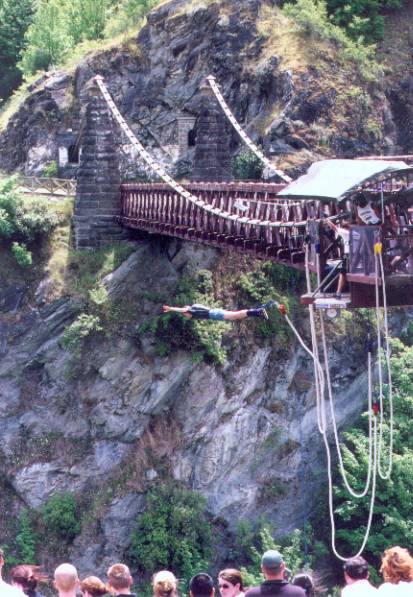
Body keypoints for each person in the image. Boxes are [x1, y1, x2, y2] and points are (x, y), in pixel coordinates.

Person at [162, 301, 275, 321]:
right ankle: (257, 313)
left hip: (214, 314)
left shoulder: (191, 311)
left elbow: (183, 309)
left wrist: (171, 309)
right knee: (235, 316)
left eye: (184, 315)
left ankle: (258, 311)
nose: (185, 316)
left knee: (235, 315)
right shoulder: (195, 310)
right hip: (214, 313)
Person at [324, 219, 350, 299]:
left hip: (348, 256)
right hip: (356, 256)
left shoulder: (346, 233)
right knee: (346, 272)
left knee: (343, 273)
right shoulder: (355, 233)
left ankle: (338, 293)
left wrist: (328, 220)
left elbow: (334, 227)